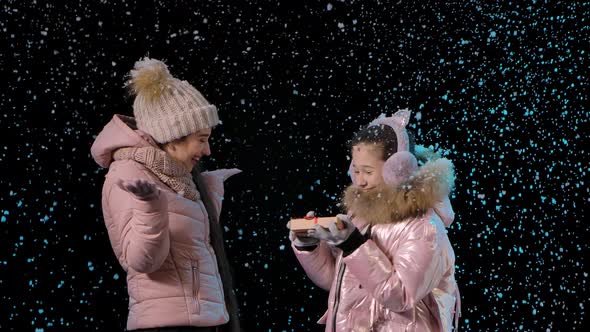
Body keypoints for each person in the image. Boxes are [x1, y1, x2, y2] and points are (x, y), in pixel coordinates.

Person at [91, 57, 241, 332]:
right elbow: (141, 261)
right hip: (168, 326)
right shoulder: (128, 174)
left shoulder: (179, 178)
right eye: (202, 139)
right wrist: (151, 207)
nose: (207, 151)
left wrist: (209, 192)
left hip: (201, 322)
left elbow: (187, 245)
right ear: (173, 135)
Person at [289, 109, 460, 331]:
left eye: (367, 171)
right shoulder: (361, 217)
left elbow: (401, 296)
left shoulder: (424, 227)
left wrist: (353, 245)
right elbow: (341, 282)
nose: (359, 181)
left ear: (397, 169)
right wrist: (311, 246)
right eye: (356, 170)